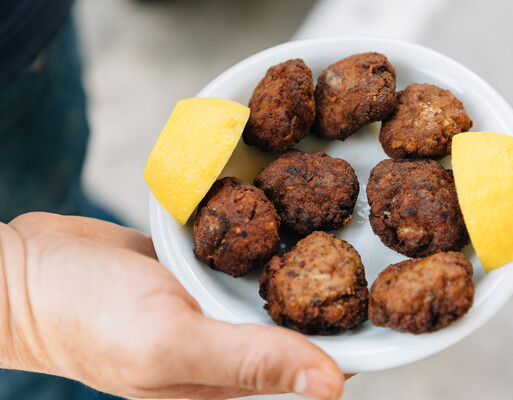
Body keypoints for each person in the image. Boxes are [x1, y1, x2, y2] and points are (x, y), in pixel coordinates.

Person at [0, 2, 345, 400]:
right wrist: (23, 310)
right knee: (38, 380)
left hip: (19, 40)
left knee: (54, 195)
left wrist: (25, 282)